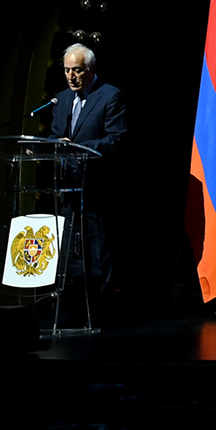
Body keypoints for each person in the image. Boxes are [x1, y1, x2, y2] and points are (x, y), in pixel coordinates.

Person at [45, 43, 128, 319]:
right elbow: (56, 136)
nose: (71, 76)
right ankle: (74, 308)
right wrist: (50, 146)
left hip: (97, 189)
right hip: (68, 189)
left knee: (97, 252)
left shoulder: (110, 96)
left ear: (91, 69)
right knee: (69, 251)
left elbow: (116, 139)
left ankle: (101, 308)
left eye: (77, 70)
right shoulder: (61, 100)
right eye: (67, 70)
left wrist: (78, 149)